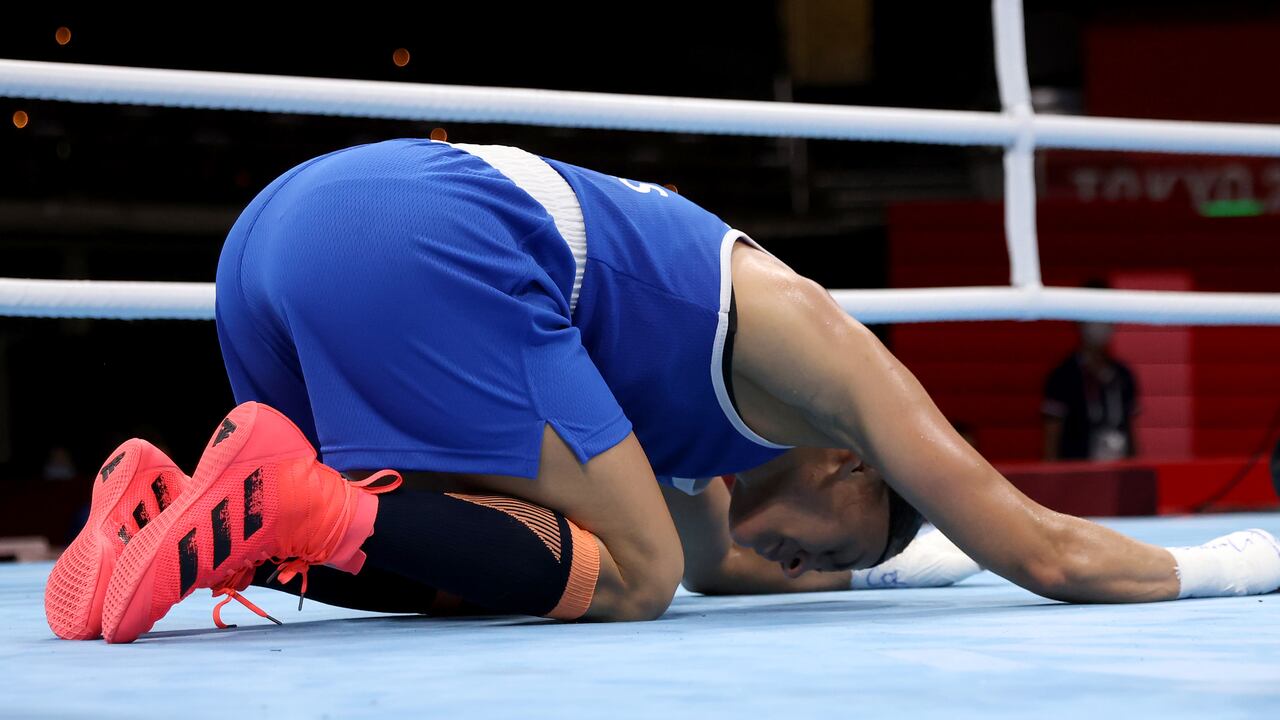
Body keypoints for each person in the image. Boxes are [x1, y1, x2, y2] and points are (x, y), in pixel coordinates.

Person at [44, 139, 1280, 644]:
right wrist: (1244, 563)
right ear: (855, 466)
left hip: (285, 232)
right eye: (816, 558)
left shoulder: (699, 460)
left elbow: (716, 562)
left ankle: (172, 510)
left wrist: (908, 568)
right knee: (619, 580)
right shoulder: (844, 369)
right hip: (425, 243)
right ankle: (282, 508)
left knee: (490, 545)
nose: (785, 571)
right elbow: (1051, 556)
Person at [1042, 282, 1140, 461]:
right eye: (1094, 316)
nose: (1100, 324)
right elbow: (1051, 439)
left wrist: (1137, 474)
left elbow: (1132, 434)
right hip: (1076, 479)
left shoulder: (1124, 375)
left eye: (1106, 316)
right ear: (1079, 320)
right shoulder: (1062, 377)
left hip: (1118, 477)